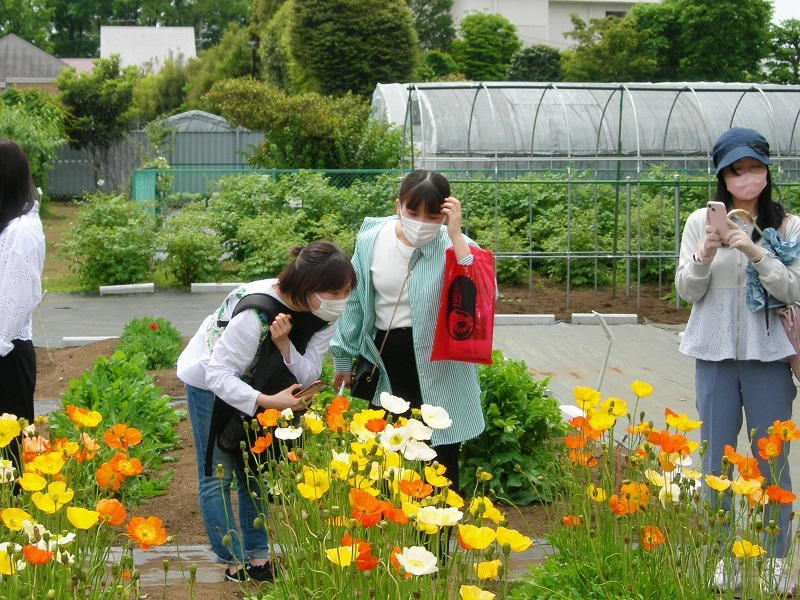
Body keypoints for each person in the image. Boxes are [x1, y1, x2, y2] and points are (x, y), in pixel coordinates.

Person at [177, 242, 355, 583]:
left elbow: (308, 373)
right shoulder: (255, 314)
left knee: (254, 469)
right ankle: (233, 563)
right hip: (208, 381)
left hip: (263, 384)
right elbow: (218, 374)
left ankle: (259, 558)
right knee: (217, 473)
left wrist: (285, 346)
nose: (342, 299)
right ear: (307, 286)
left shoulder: (324, 316)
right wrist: (269, 401)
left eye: (347, 291)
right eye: (335, 291)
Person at [675, 127, 800, 594]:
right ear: (722, 178)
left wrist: (753, 248)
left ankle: (774, 562)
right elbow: (686, 290)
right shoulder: (697, 223)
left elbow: (793, 288)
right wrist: (708, 249)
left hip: (769, 355)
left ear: (767, 172)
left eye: (754, 168)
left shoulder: (788, 226)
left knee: (773, 462)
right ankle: (721, 557)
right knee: (716, 460)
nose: (747, 177)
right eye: (736, 170)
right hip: (713, 353)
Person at [330, 169, 485, 495]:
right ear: (398, 204)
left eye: (433, 215)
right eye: (413, 212)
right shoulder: (372, 239)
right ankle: (392, 541)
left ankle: (438, 544)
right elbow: (356, 302)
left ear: (446, 211)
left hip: (441, 368)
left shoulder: (456, 247)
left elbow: (482, 297)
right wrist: (342, 357)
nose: (421, 221)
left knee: (440, 468)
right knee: (386, 462)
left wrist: (455, 234)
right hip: (387, 364)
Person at [0, 138, 45, 469]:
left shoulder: (22, 230)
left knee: (8, 461)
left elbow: (14, 306)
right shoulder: (11, 223)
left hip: (7, 357)